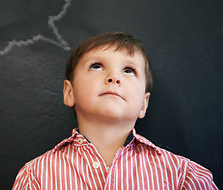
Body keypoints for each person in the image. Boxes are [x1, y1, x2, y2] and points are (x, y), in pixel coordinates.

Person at [12, 32, 217, 189]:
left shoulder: (184, 177)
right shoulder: (36, 176)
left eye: (129, 70)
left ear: (143, 104)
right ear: (69, 92)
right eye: (97, 66)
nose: (114, 77)